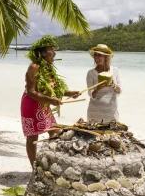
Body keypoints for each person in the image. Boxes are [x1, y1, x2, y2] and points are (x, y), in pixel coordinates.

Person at [21, 35, 80, 166]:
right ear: (43, 53)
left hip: (43, 104)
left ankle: (52, 162)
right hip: (31, 104)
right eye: (51, 50)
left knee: (55, 132)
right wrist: (50, 100)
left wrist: (69, 93)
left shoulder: (48, 68)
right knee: (32, 137)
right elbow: (31, 91)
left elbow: (53, 90)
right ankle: (34, 167)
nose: (54, 53)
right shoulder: (34, 67)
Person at [86, 44, 122, 123]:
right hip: (94, 112)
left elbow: (120, 90)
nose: (96, 58)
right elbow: (90, 93)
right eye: (95, 55)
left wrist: (114, 86)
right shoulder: (91, 73)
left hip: (111, 112)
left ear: (106, 57)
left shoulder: (115, 70)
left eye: (100, 55)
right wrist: (97, 89)